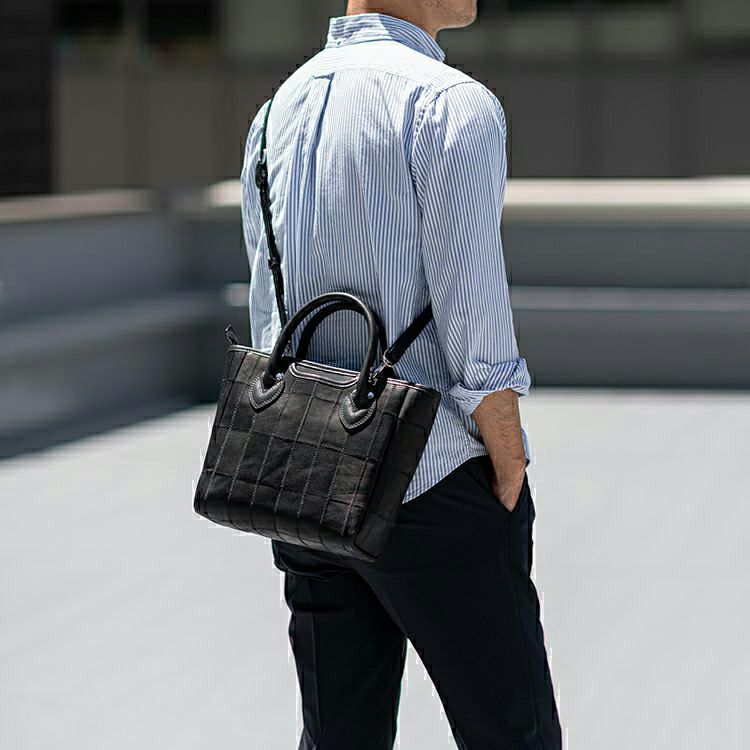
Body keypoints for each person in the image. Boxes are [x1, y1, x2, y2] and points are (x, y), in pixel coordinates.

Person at [240, 2, 562, 748]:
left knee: (338, 737)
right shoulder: (450, 104)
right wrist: (508, 460)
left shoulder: (278, 108)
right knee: (513, 735)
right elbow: (474, 311)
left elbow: (270, 311)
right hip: (433, 477)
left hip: (306, 474)